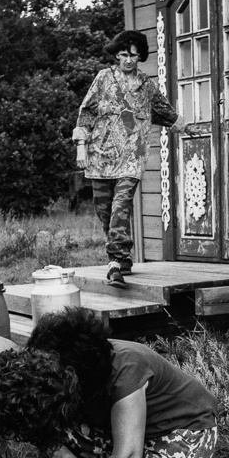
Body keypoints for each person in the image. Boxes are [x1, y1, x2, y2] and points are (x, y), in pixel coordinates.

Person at [26, 307, 218, 458]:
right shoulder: (69, 365)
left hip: (184, 428)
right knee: (51, 424)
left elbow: (127, 456)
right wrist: (58, 450)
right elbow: (38, 416)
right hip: (121, 424)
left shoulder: (127, 368)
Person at [73, 29, 198, 287]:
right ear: (116, 56)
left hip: (132, 156)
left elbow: (164, 111)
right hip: (102, 156)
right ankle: (124, 255)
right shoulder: (103, 79)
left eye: (133, 55)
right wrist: (81, 147)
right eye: (123, 55)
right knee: (104, 211)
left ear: (140, 56)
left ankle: (115, 263)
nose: (128, 60)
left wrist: (185, 127)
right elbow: (86, 113)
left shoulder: (146, 85)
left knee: (121, 205)